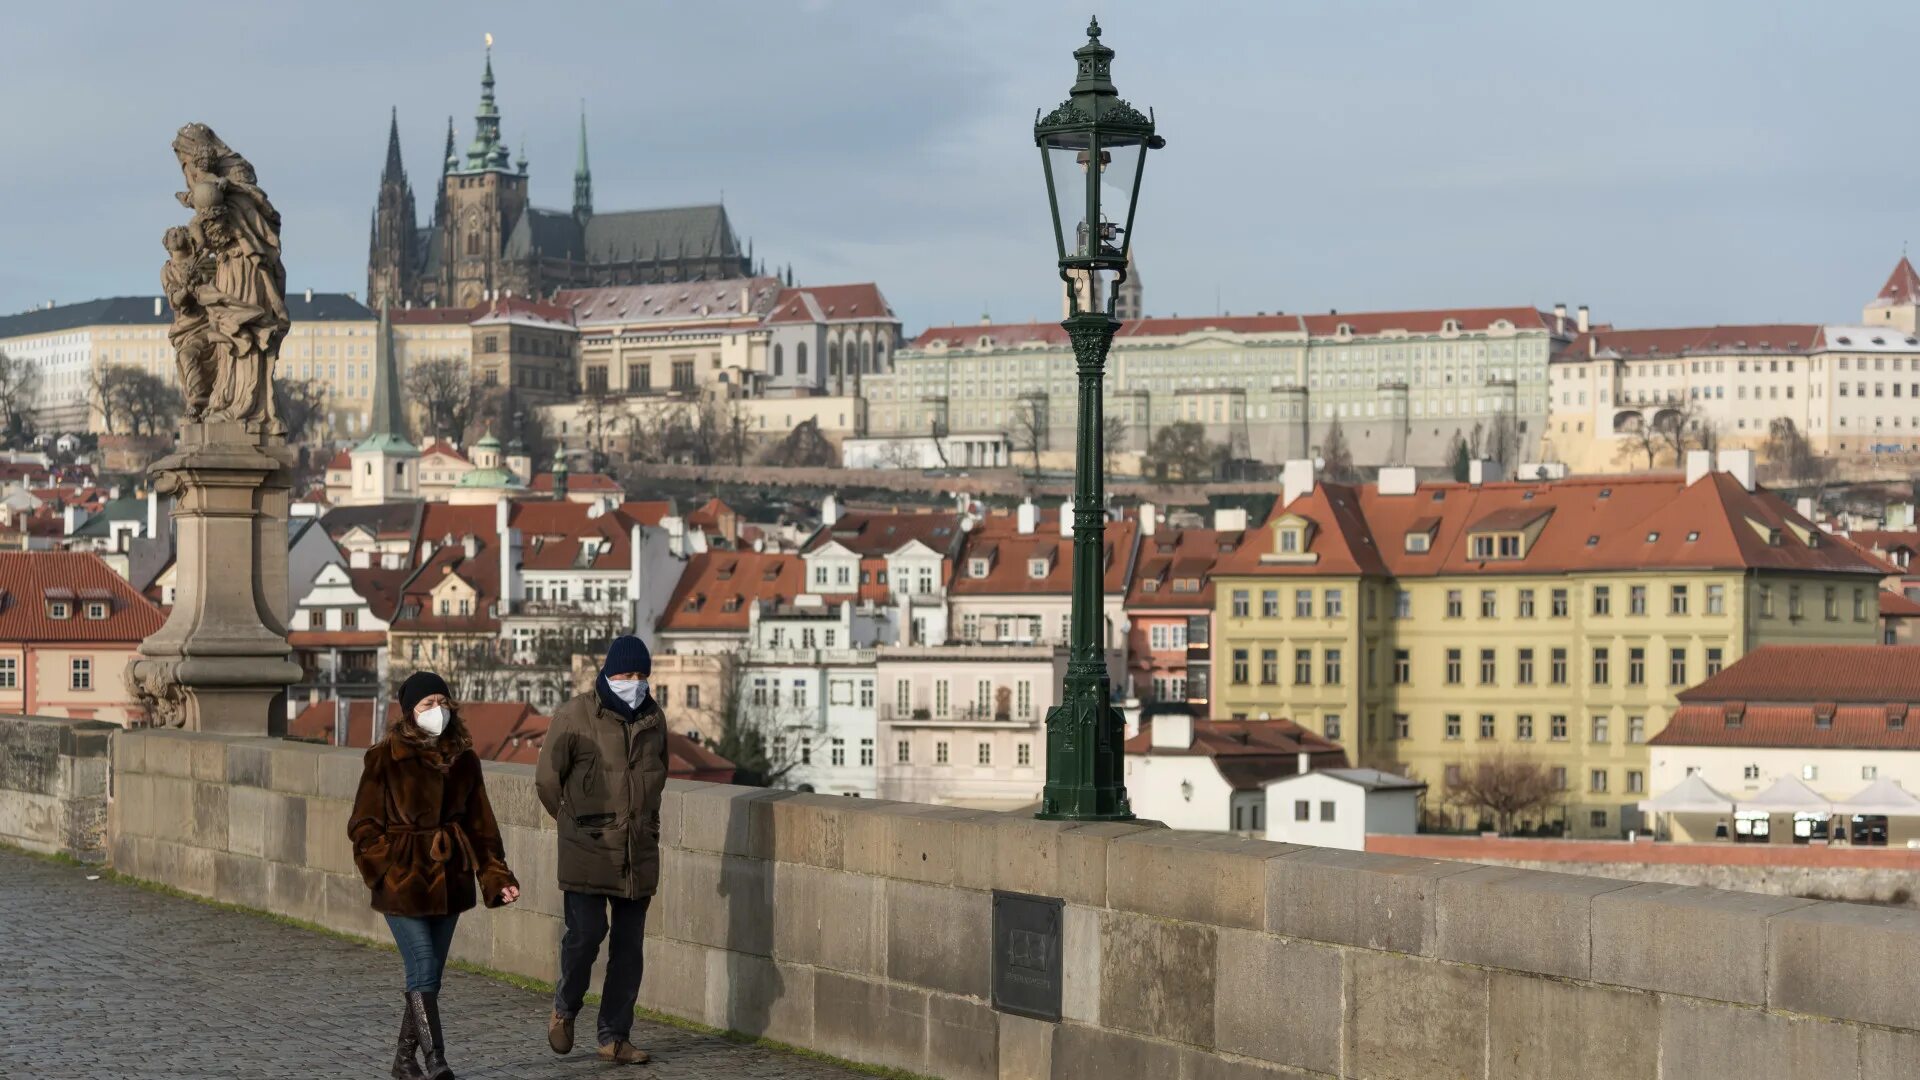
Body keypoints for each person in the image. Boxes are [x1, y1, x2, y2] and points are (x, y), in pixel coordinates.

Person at [349, 672, 520, 1080]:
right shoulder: (383, 758)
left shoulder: (465, 760)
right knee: (423, 964)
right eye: (428, 704)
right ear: (410, 712)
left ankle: (403, 1060)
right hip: (402, 883)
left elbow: (482, 828)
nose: (437, 711)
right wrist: (385, 868)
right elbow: (363, 826)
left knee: (428, 978)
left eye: (443, 702)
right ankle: (437, 1061)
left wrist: (496, 877)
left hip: (450, 881)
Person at [536, 635, 669, 1066]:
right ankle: (565, 1008)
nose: (635, 682)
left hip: (636, 851)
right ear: (609, 673)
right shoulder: (575, 715)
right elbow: (546, 780)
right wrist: (572, 824)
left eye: (641, 675)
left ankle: (614, 1036)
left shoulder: (654, 719)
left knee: (629, 951)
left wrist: (646, 825)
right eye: (627, 674)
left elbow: (658, 778)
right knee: (586, 936)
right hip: (588, 849)